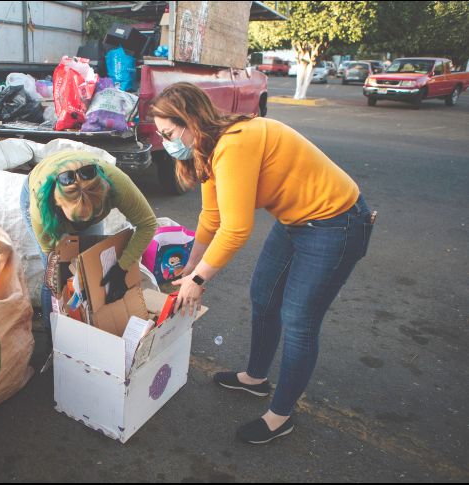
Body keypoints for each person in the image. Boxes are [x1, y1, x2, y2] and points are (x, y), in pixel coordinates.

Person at [149, 82, 375, 445]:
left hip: (337, 222)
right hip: (296, 221)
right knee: (263, 297)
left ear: (189, 120)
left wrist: (200, 280)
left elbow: (236, 229)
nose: (165, 142)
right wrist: (192, 263)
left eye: (168, 133)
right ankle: (256, 378)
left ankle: (280, 414)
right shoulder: (207, 146)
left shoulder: (234, 143)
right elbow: (212, 216)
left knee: (299, 319)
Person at [20, 151, 157, 334]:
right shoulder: (41, 206)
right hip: (44, 203)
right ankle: (51, 334)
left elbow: (147, 224)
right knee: (55, 278)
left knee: (92, 267)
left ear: (104, 194)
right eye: (78, 219)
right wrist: (65, 283)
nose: (81, 226)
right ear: (59, 203)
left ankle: (92, 325)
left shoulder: (117, 183)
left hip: (86, 200)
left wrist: (122, 266)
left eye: (90, 216)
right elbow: (52, 256)